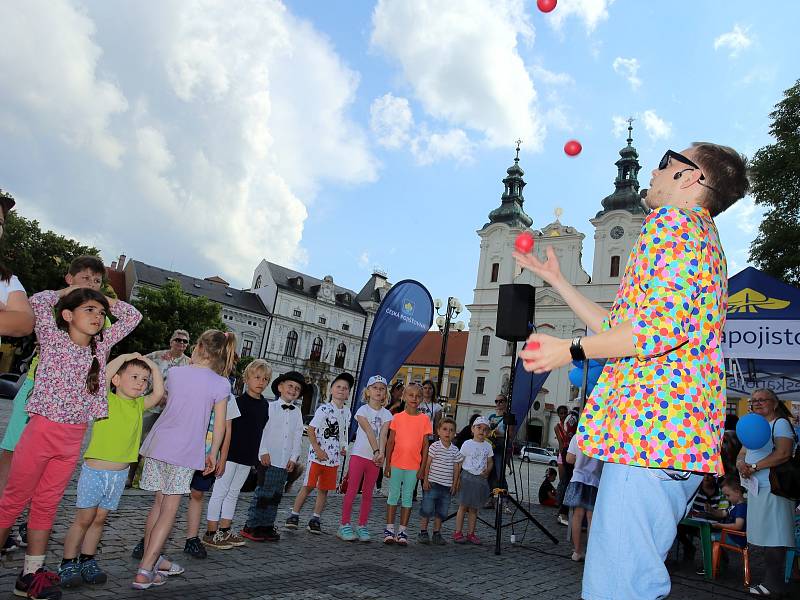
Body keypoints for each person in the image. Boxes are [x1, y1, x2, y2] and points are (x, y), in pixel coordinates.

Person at [517, 143, 749, 600]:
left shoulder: (674, 224)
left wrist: (570, 349)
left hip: (649, 436)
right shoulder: (701, 238)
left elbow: (658, 330)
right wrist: (560, 282)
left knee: (617, 587)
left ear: (688, 179)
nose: (656, 168)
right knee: (631, 581)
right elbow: (621, 329)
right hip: (663, 440)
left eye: (666, 160)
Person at [0, 286, 141, 600]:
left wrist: (106, 301)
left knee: (47, 504)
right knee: (13, 501)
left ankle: (30, 575)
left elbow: (133, 316)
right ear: (67, 314)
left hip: (73, 436)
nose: (98, 316)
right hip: (41, 431)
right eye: (89, 309)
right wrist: (72, 290)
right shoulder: (52, 338)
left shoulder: (100, 347)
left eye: (101, 313)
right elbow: (38, 301)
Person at [132, 330, 235, 590]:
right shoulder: (221, 384)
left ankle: (150, 562)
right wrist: (212, 453)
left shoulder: (176, 373)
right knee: (169, 509)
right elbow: (220, 424)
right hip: (186, 450)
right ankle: (145, 569)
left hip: (158, 443)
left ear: (198, 347)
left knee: (157, 504)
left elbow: (164, 399)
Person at [58, 354, 163, 588]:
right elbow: (103, 375)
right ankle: (67, 562)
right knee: (84, 519)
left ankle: (87, 559)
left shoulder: (138, 405)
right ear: (116, 379)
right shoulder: (104, 399)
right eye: (134, 377)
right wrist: (127, 357)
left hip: (118, 476)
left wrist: (154, 368)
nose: (140, 383)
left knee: (100, 519)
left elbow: (157, 395)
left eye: (144, 380)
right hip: (95, 472)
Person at [0, 255, 102, 496]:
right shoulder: (55, 306)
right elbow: (34, 303)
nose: (90, 284)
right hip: (37, 387)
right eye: (85, 278)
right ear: (69, 279)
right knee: (13, 448)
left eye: (97, 281)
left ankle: (25, 516)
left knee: (48, 461)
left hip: (70, 397)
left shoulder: (99, 317)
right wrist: (65, 292)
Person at [203, 359, 272, 550]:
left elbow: (261, 431)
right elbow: (225, 430)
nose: (261, 382)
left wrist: (259, 454)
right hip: (231, 454)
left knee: (234, 493)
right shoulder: (236, 401)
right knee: (220, 492)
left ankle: (224, 530)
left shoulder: (265, 406)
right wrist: (219, 455)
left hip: (248, 456)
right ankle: (210, 532)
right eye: (257, 377)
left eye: (265, 379)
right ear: (247, 378)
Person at [736, 389, 795, 596]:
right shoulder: (755, 425)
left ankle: (774, 584)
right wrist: (741, 464)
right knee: (765, 535)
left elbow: (784, 453)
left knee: (775, 535)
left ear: (775, 403)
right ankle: (770, 582)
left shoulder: (780, 424)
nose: (757, 403)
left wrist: (753, 467)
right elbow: (743, 452)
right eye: (754, 401)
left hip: (775, 488)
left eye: (763, 400)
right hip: (757, 488)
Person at [242, 371, 304, 543]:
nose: (293, 390)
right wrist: (263, 452)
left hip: (284, 463)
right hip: (268, 460)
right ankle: (252, 525)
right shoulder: (269, 408)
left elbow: (298, 437)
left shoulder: (297, 413)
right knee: (263, 493)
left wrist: (293, 458)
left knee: (276, 495)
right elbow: (260, 431)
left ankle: (267, 526)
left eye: (297, 388)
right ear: (280, 387)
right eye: (290, 386)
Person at [286, 372, 352, 534]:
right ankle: (294, 515)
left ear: (348, 393)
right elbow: (311, 430)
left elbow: (343, 432)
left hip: (333, 459)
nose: (341, 390)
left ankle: (315, 518)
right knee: (308, 486)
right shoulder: (324, 409)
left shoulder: (347, 412)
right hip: (317, 456)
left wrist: (344, 446)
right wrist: (317, 449)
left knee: (324, 489)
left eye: (345, 388)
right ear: (331, 390)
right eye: (338, 387)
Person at [128, 330, 191, 487]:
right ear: (171, 341)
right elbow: (137, 368)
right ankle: (129, 477)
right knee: (139, 442)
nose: (181, 343)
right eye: (178, 340)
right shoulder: (155, 356)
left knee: (163, 447)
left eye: (185, 341)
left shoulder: (189, 364)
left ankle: (154, 480)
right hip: (150, 407)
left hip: (172, 413)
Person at [339, 375, 392, 542]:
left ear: (385, 393)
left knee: (368, 493)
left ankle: (362, 525)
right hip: (359, 455)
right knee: (352, 490)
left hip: (374, 459)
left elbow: (383, 434)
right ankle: (344, 524)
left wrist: (381, 454)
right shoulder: (362, 411)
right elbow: (369, 431)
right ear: (368, 391)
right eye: (375, 388)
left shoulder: (387, 414)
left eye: (382, 388)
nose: (378, 391)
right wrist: (377, 450)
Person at [383, 382, 431, 546]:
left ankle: (402, 531)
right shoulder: (397, 418)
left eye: (418, 396)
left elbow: (426, 447)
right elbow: (390, 442)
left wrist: (423, 468)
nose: (414, 399)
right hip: (396, 463)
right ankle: (389, 529)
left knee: (407, 498)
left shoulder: (424, 419)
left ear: (422, 399)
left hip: (413, 466)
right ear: (404, 397)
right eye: (411, 395)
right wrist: (387, 464)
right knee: (393, 495)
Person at [418, 417, 463, 545]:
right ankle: (423, 531)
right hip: (432, 484)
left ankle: (437, 533)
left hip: (446, 487)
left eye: (451, 430)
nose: (447, 433)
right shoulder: (434, 446)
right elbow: (428, 464)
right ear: (438, 431)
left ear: (454, 433)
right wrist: (425, 480)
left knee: (441, 511)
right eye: (444, 429)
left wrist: (455, 484)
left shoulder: (455, 450)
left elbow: (456, 468)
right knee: (427, 509)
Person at [453, 416, 493, 545]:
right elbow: (460, 461)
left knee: (474, 508)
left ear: (488, 432)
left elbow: (490, 461)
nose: (482, 431)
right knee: (463, 506)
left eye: (485, 429)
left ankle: (471, 533)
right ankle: (458, 532)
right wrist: (457, 478)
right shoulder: (467, 444)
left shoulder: (488, 446)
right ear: (472, 429)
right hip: (467, 477)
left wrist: (488, 471)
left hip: (480, 479)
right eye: (479, 428)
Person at [564, 431, 603, 562]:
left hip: (579, 478)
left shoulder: (578, 437)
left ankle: (578, 551)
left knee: (577, 515)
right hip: (595, 481)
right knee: (591, 517)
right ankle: (592, 552)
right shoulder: (602, 438)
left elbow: (569, 459)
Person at [486, 395, 514, 508]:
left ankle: (504, 498)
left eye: (501, 401)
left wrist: (499, 434)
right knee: (490, 474)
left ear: (506, 403)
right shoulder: (491, 416)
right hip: (490, 447)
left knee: (500, 473)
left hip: (501, 448)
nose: (498, 403)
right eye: (496, 401)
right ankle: (490, 498)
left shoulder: (509, 417)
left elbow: (511, 435)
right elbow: (487, 431)